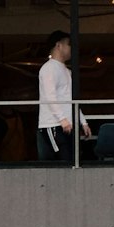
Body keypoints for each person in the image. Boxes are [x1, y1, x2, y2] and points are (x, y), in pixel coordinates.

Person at [37, 30, 91, 163]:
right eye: (68, 44)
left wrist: (83, 121)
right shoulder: (48, 68)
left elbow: (70, 98)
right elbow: (50, 96)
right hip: (53, 124)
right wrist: (62, 119)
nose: (71, 48)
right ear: (58, 45)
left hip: (66, 124)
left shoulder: (67, 71)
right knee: (62, 160)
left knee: (71, 160)